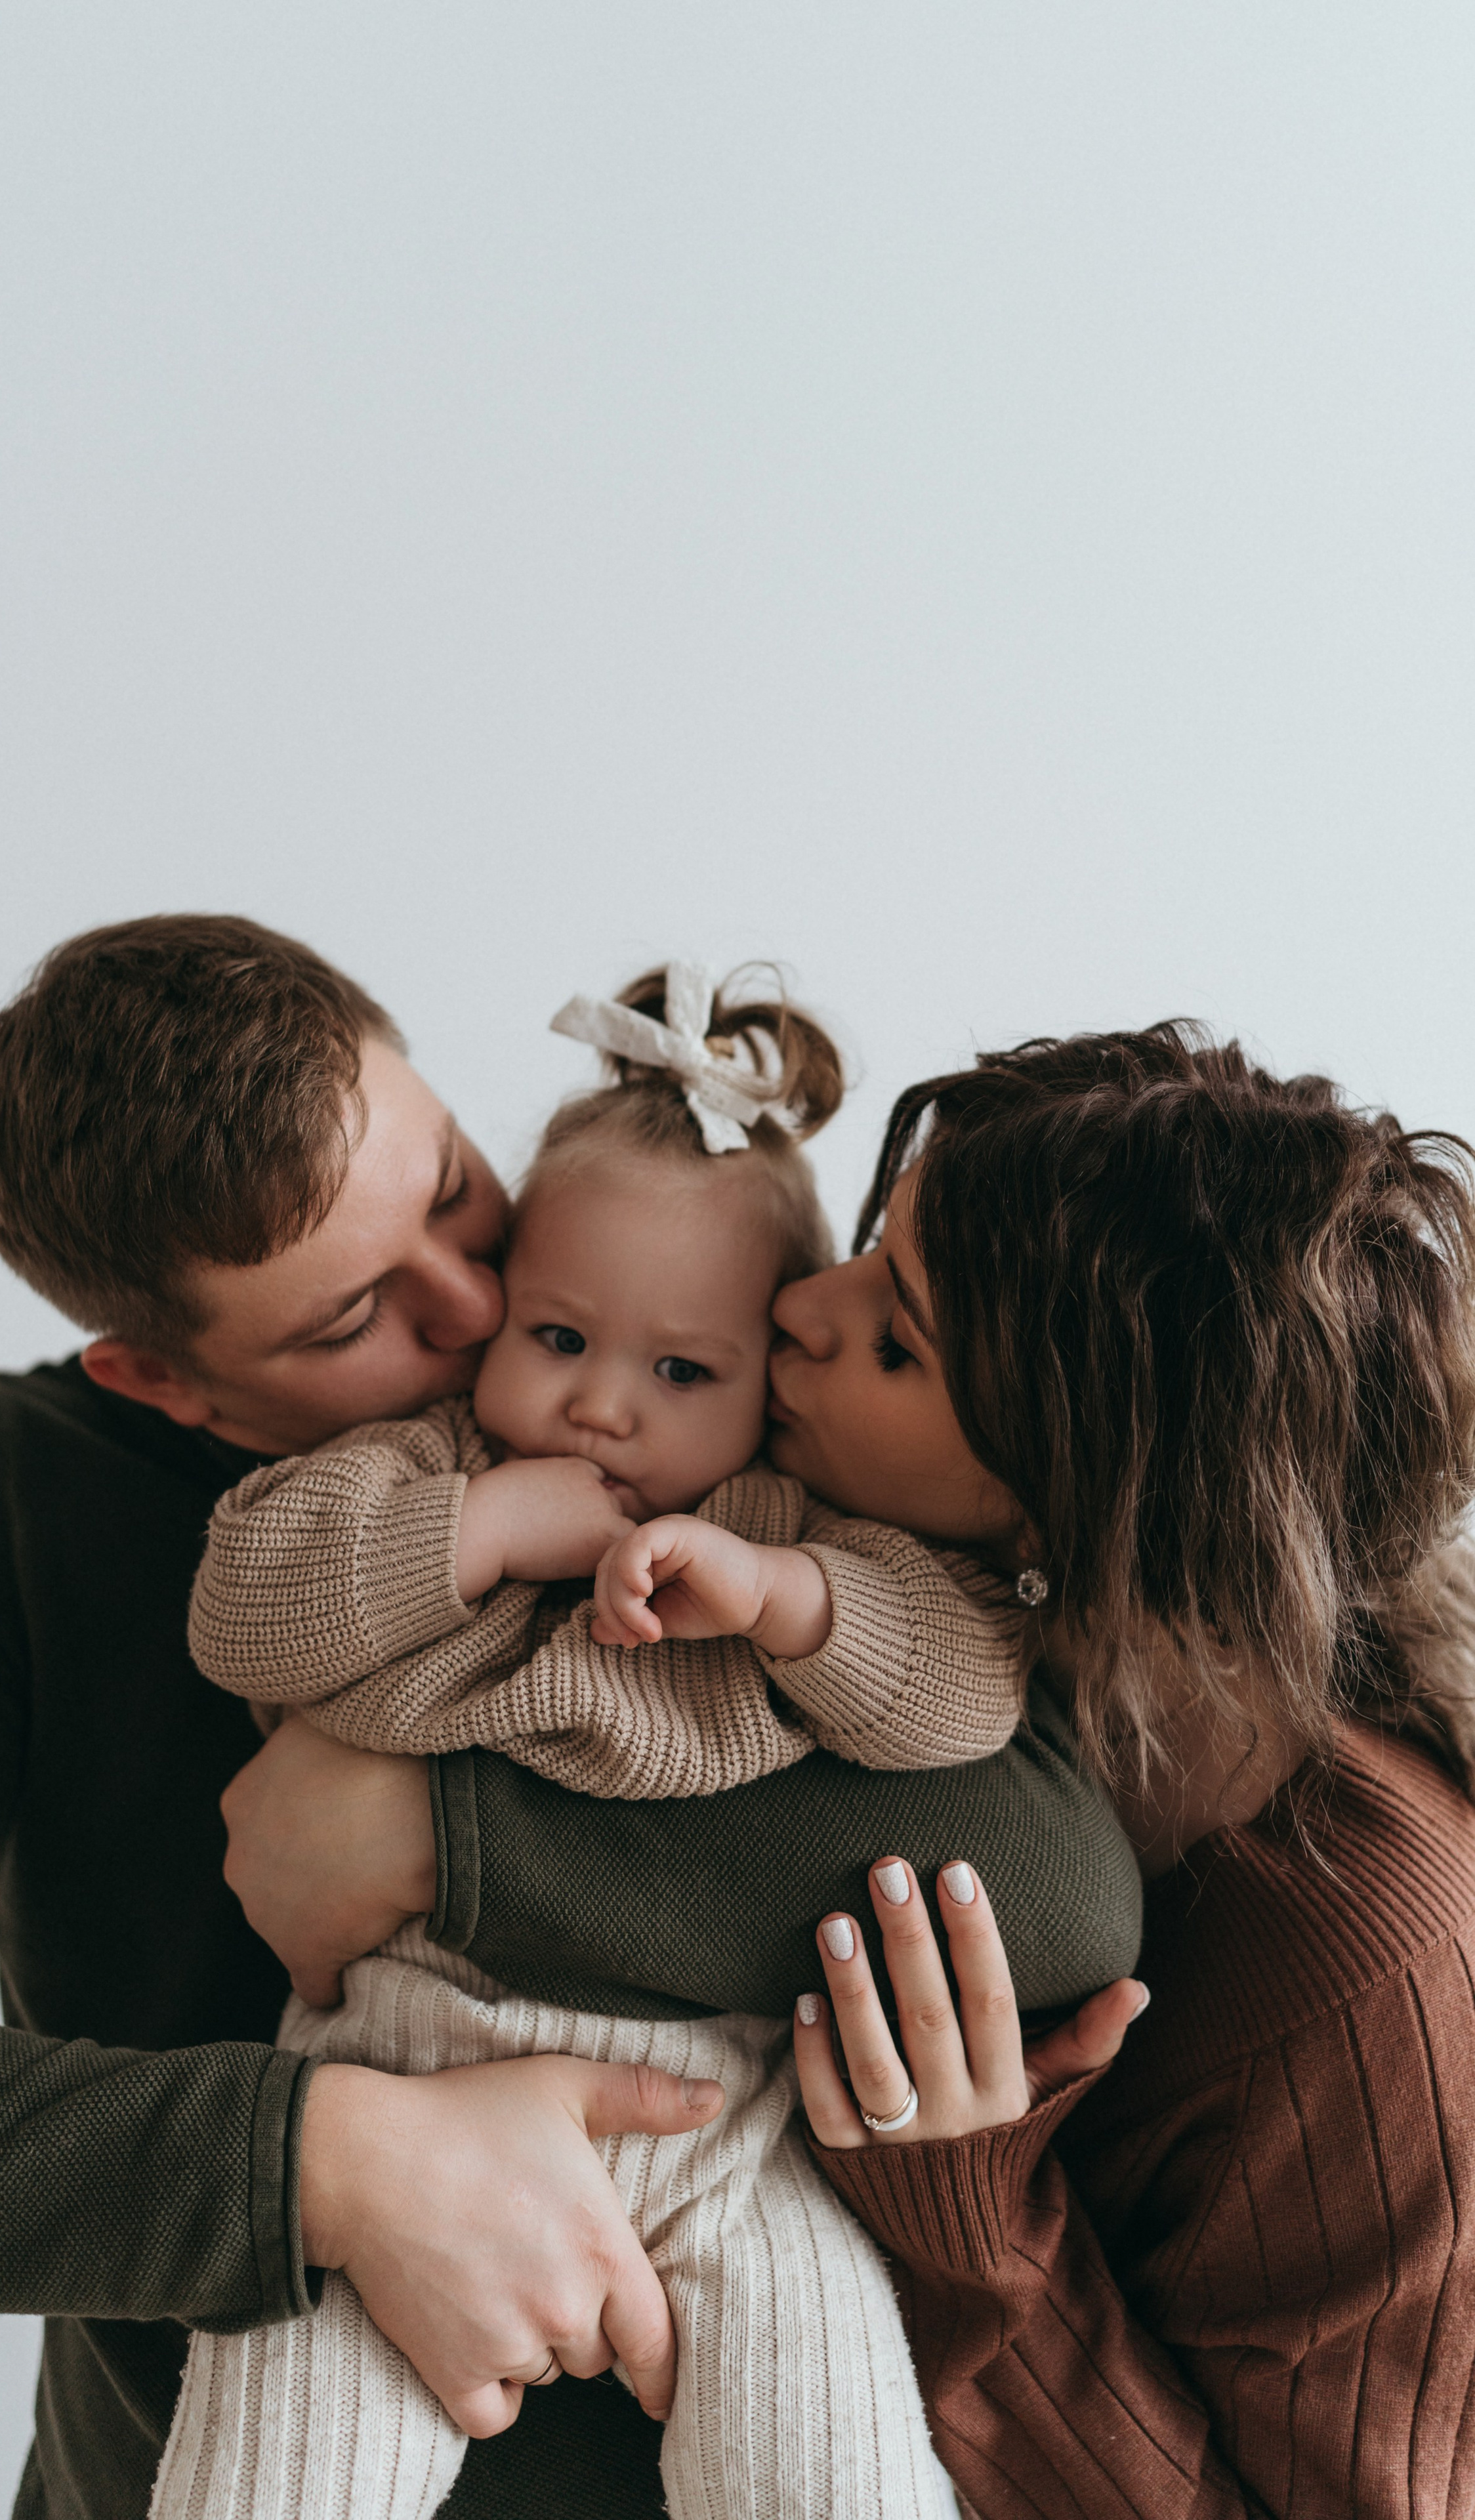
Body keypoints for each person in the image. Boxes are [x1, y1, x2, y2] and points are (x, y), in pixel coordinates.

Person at [0, 917, 1141, 2520]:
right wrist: (333, 2164)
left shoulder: (739, 1438)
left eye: (449, 1188)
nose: (476, 1301)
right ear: (161, 1382)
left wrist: (442, 1840)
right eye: (351, 1316)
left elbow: (1049, 1871)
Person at [154, 963, 1031, 2520]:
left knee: (840, 2471)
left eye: (681, 1371)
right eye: (557, 1334)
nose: (602, 1407)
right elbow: (243, 1609)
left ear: (768, 1380)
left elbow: (968, 1696)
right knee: (272, 2466)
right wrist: (481, 1524)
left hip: (728, 2135)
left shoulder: (784, 1524)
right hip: (399, 2087)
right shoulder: (429, 1465)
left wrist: (781, 1600)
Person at [754, 1023, 1475, 2519]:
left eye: (896, 1340)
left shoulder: (1361, 1963)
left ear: (1065, 1513)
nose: (793, 1309)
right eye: (865, 1249)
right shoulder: (884, 1597)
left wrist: (963, 2217)